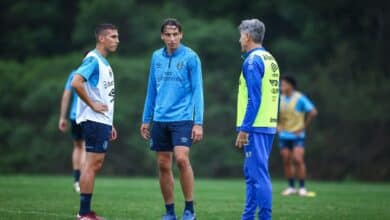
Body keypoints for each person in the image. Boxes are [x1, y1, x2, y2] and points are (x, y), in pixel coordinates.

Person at [140, 18, 204, 220]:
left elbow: (198, 92)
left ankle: (189, 209)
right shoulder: (155, 57)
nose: (172, 38)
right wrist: (146, 118)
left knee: (182, 160)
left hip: (183, 118)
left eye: (175, 34)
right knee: (163, 164)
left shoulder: (191, 57)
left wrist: (198, 122)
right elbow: (152, 90)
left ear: (181, 35)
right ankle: (169, 212)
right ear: (162, 36)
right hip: (160, 119)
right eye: (168, 34)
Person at [71, 23, 119, 220]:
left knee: (94, 164)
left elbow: (103, 95)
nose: (117, 40)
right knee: (91, 165)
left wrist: (110, 122)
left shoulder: (104, 62)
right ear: (101, 38)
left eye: (117, 37)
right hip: (93, 120)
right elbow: (76, 82)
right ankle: (84, 214)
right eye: (113, 37)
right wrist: (91, 105)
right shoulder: (93, 60)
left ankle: (86, 211)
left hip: (102, 121)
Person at [235, 18, 280, 220]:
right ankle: (247, 217)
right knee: (252, 174)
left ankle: (264, 217)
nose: (239, 40)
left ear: (247, 36)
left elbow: (254, 98)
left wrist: (244, 129)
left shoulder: (252, 61)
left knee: (259, 175)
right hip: (267, 124)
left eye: (240, 36)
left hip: (255, 126)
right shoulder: (270, 58)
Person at [278, 75, 318, 196]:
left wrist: (303, 127)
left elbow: (313, 112)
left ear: (291, 85)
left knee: (298, 159)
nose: (281, 87)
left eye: (283, 84)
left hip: (297, 135)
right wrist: (276, 126)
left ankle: (302, 187)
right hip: (284, 135)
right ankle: (291, 187)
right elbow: (271, 114)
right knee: (286, 160)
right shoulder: (279, 98)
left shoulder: (300, 98)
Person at [58, 70, 86, 193]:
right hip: (87, 116)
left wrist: (62, 117)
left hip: (74, 116)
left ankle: (76, 180)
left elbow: (66, 95)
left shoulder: (74, 73)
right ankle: (82, 180)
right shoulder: (94, 71)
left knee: (77, 147)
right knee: (85, 147)